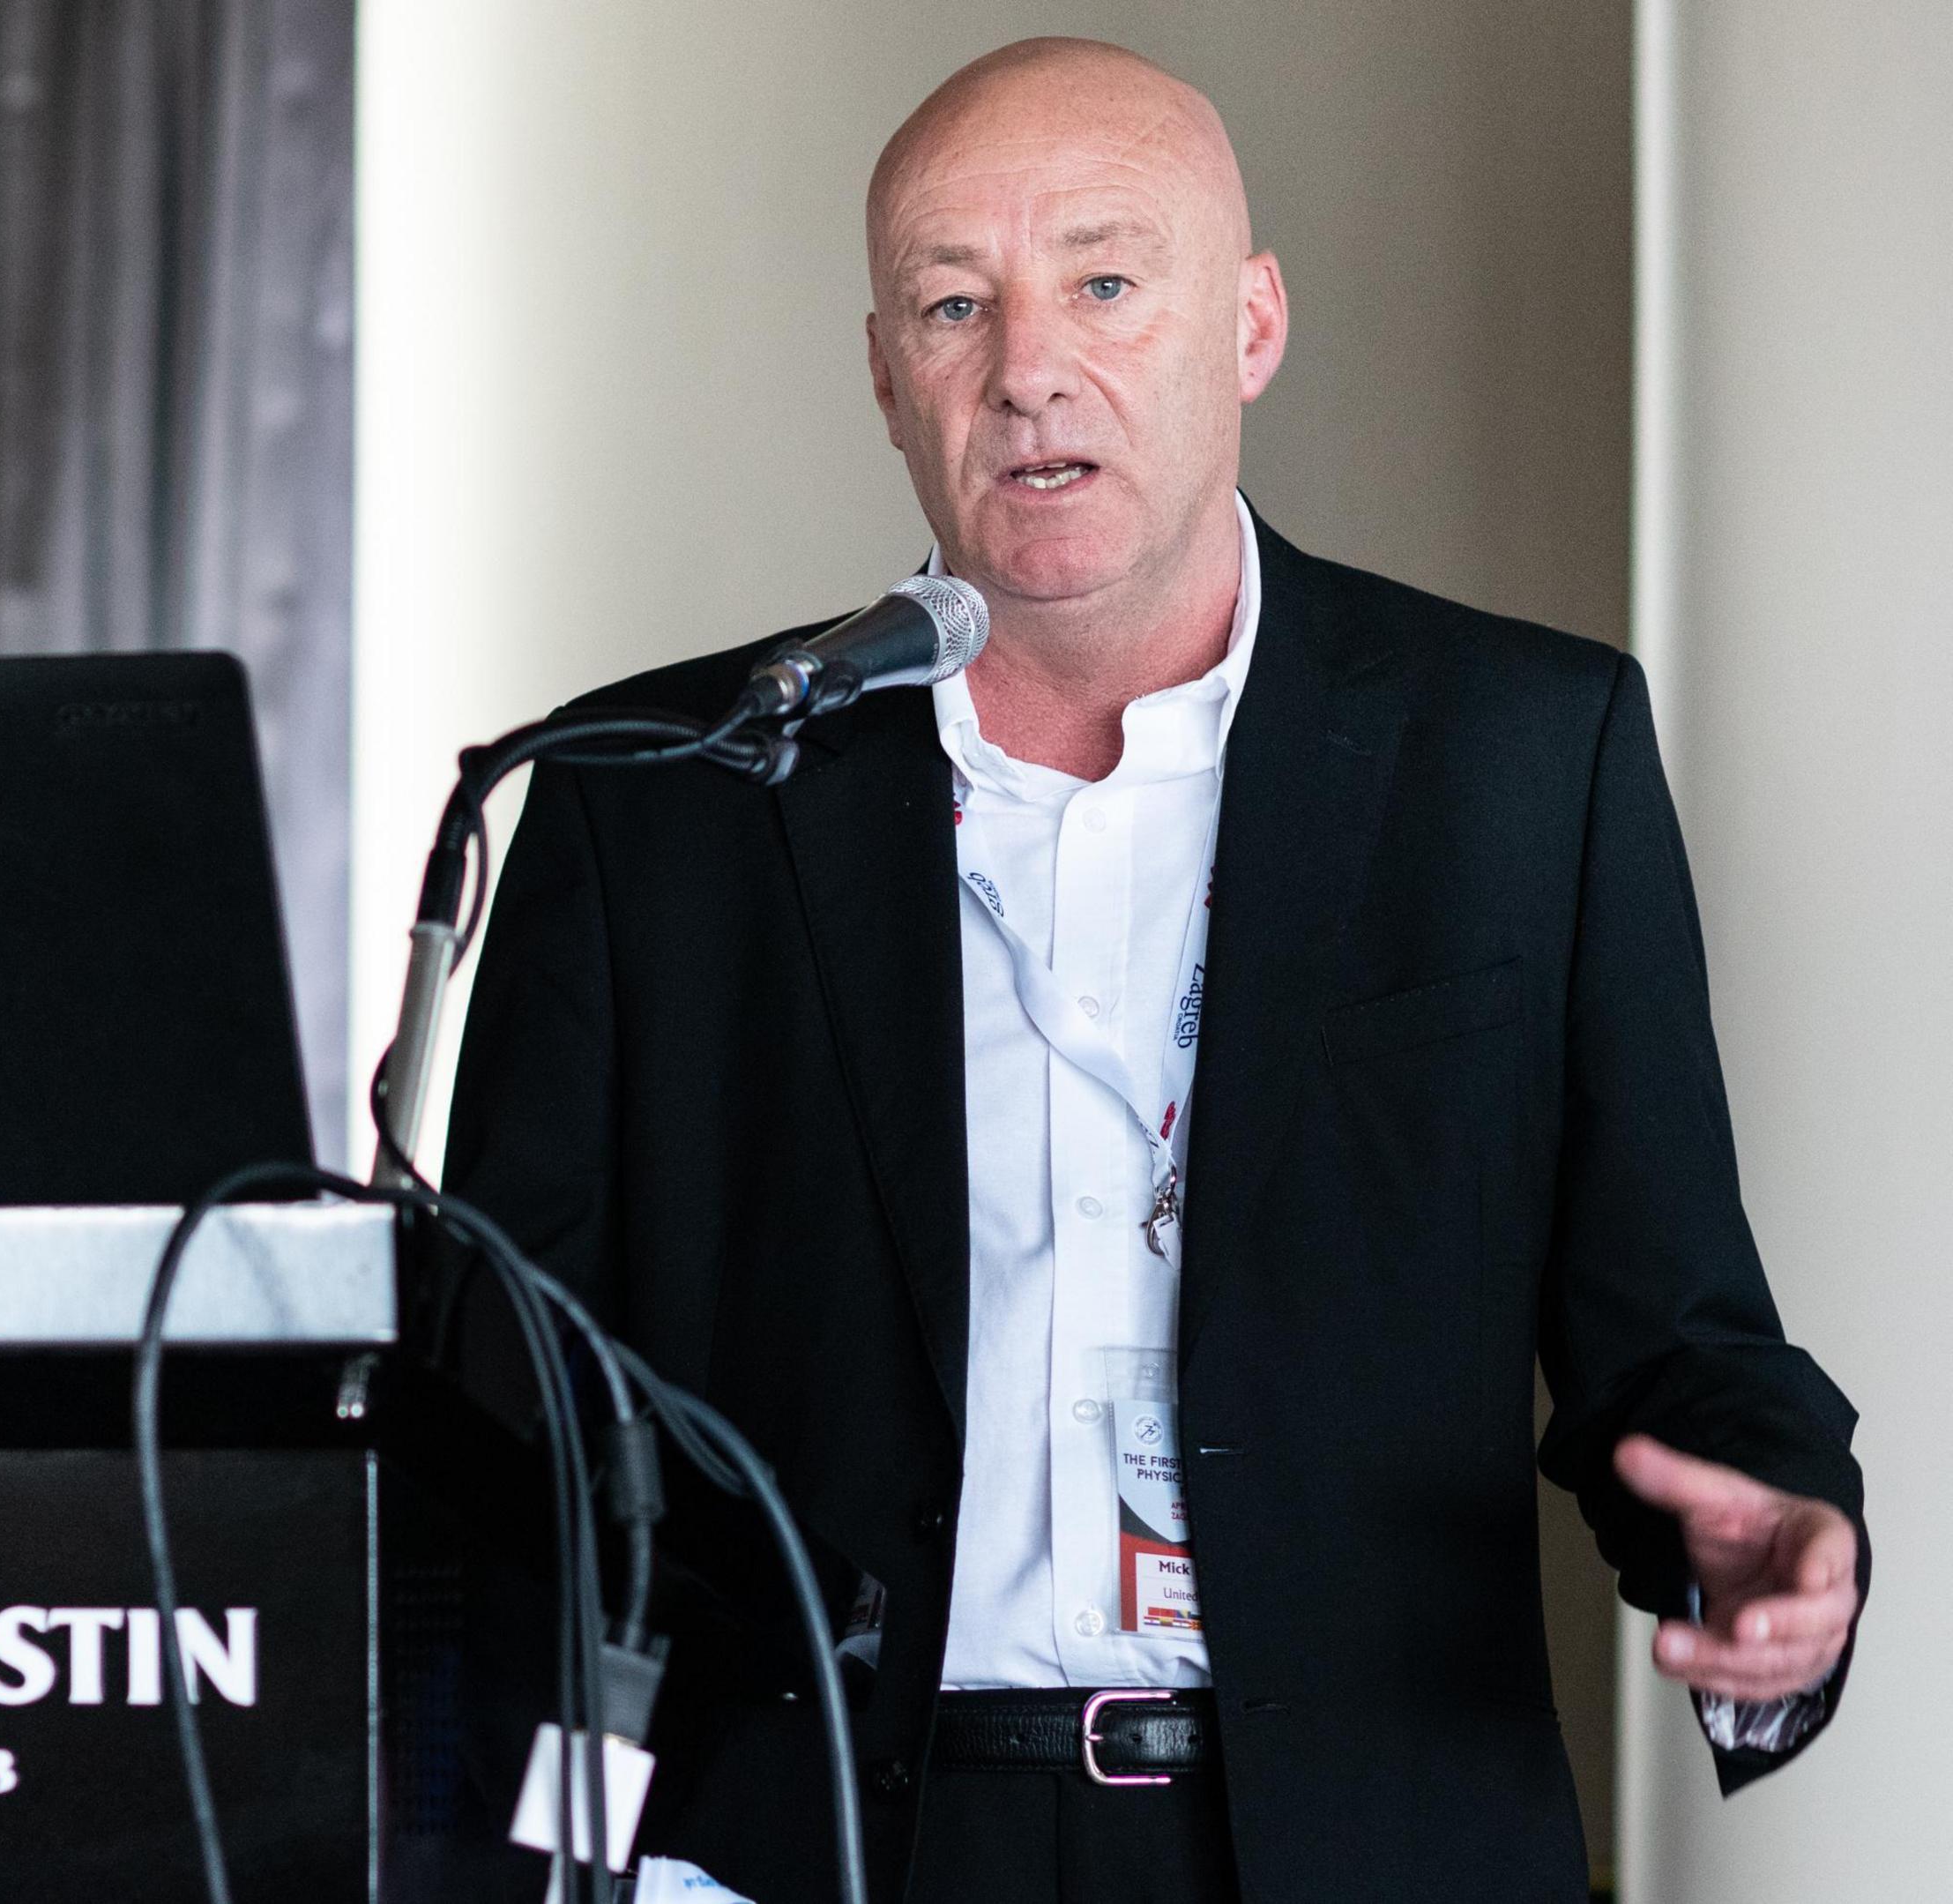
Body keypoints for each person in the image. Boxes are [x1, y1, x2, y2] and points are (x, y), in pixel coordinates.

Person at [441, 36, 1863, 1904]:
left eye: (1107, 283)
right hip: (820, 1846)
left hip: (1359, 1840)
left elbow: (1674, 1330)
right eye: (954, 305)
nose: (1029, 365)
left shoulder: (1521, 756)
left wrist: (1770, 1544)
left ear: (1253, 323)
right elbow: (497, 1415)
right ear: (886, 374)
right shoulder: (663, 795)